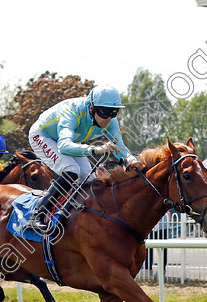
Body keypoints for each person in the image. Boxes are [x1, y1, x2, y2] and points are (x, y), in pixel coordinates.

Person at [26, 85, 140, 232]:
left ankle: (77, 218)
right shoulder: (72, 110)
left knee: (91, 180)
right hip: (43, 136)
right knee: (72, 170)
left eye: (114, 112)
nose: (109, 118)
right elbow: (64, 146)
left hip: (66, 141)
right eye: (105, 113)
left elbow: (120, 148)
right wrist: (96, 149)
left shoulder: (110, 121)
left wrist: (132, 160)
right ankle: (37, 216)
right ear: (91, 108)